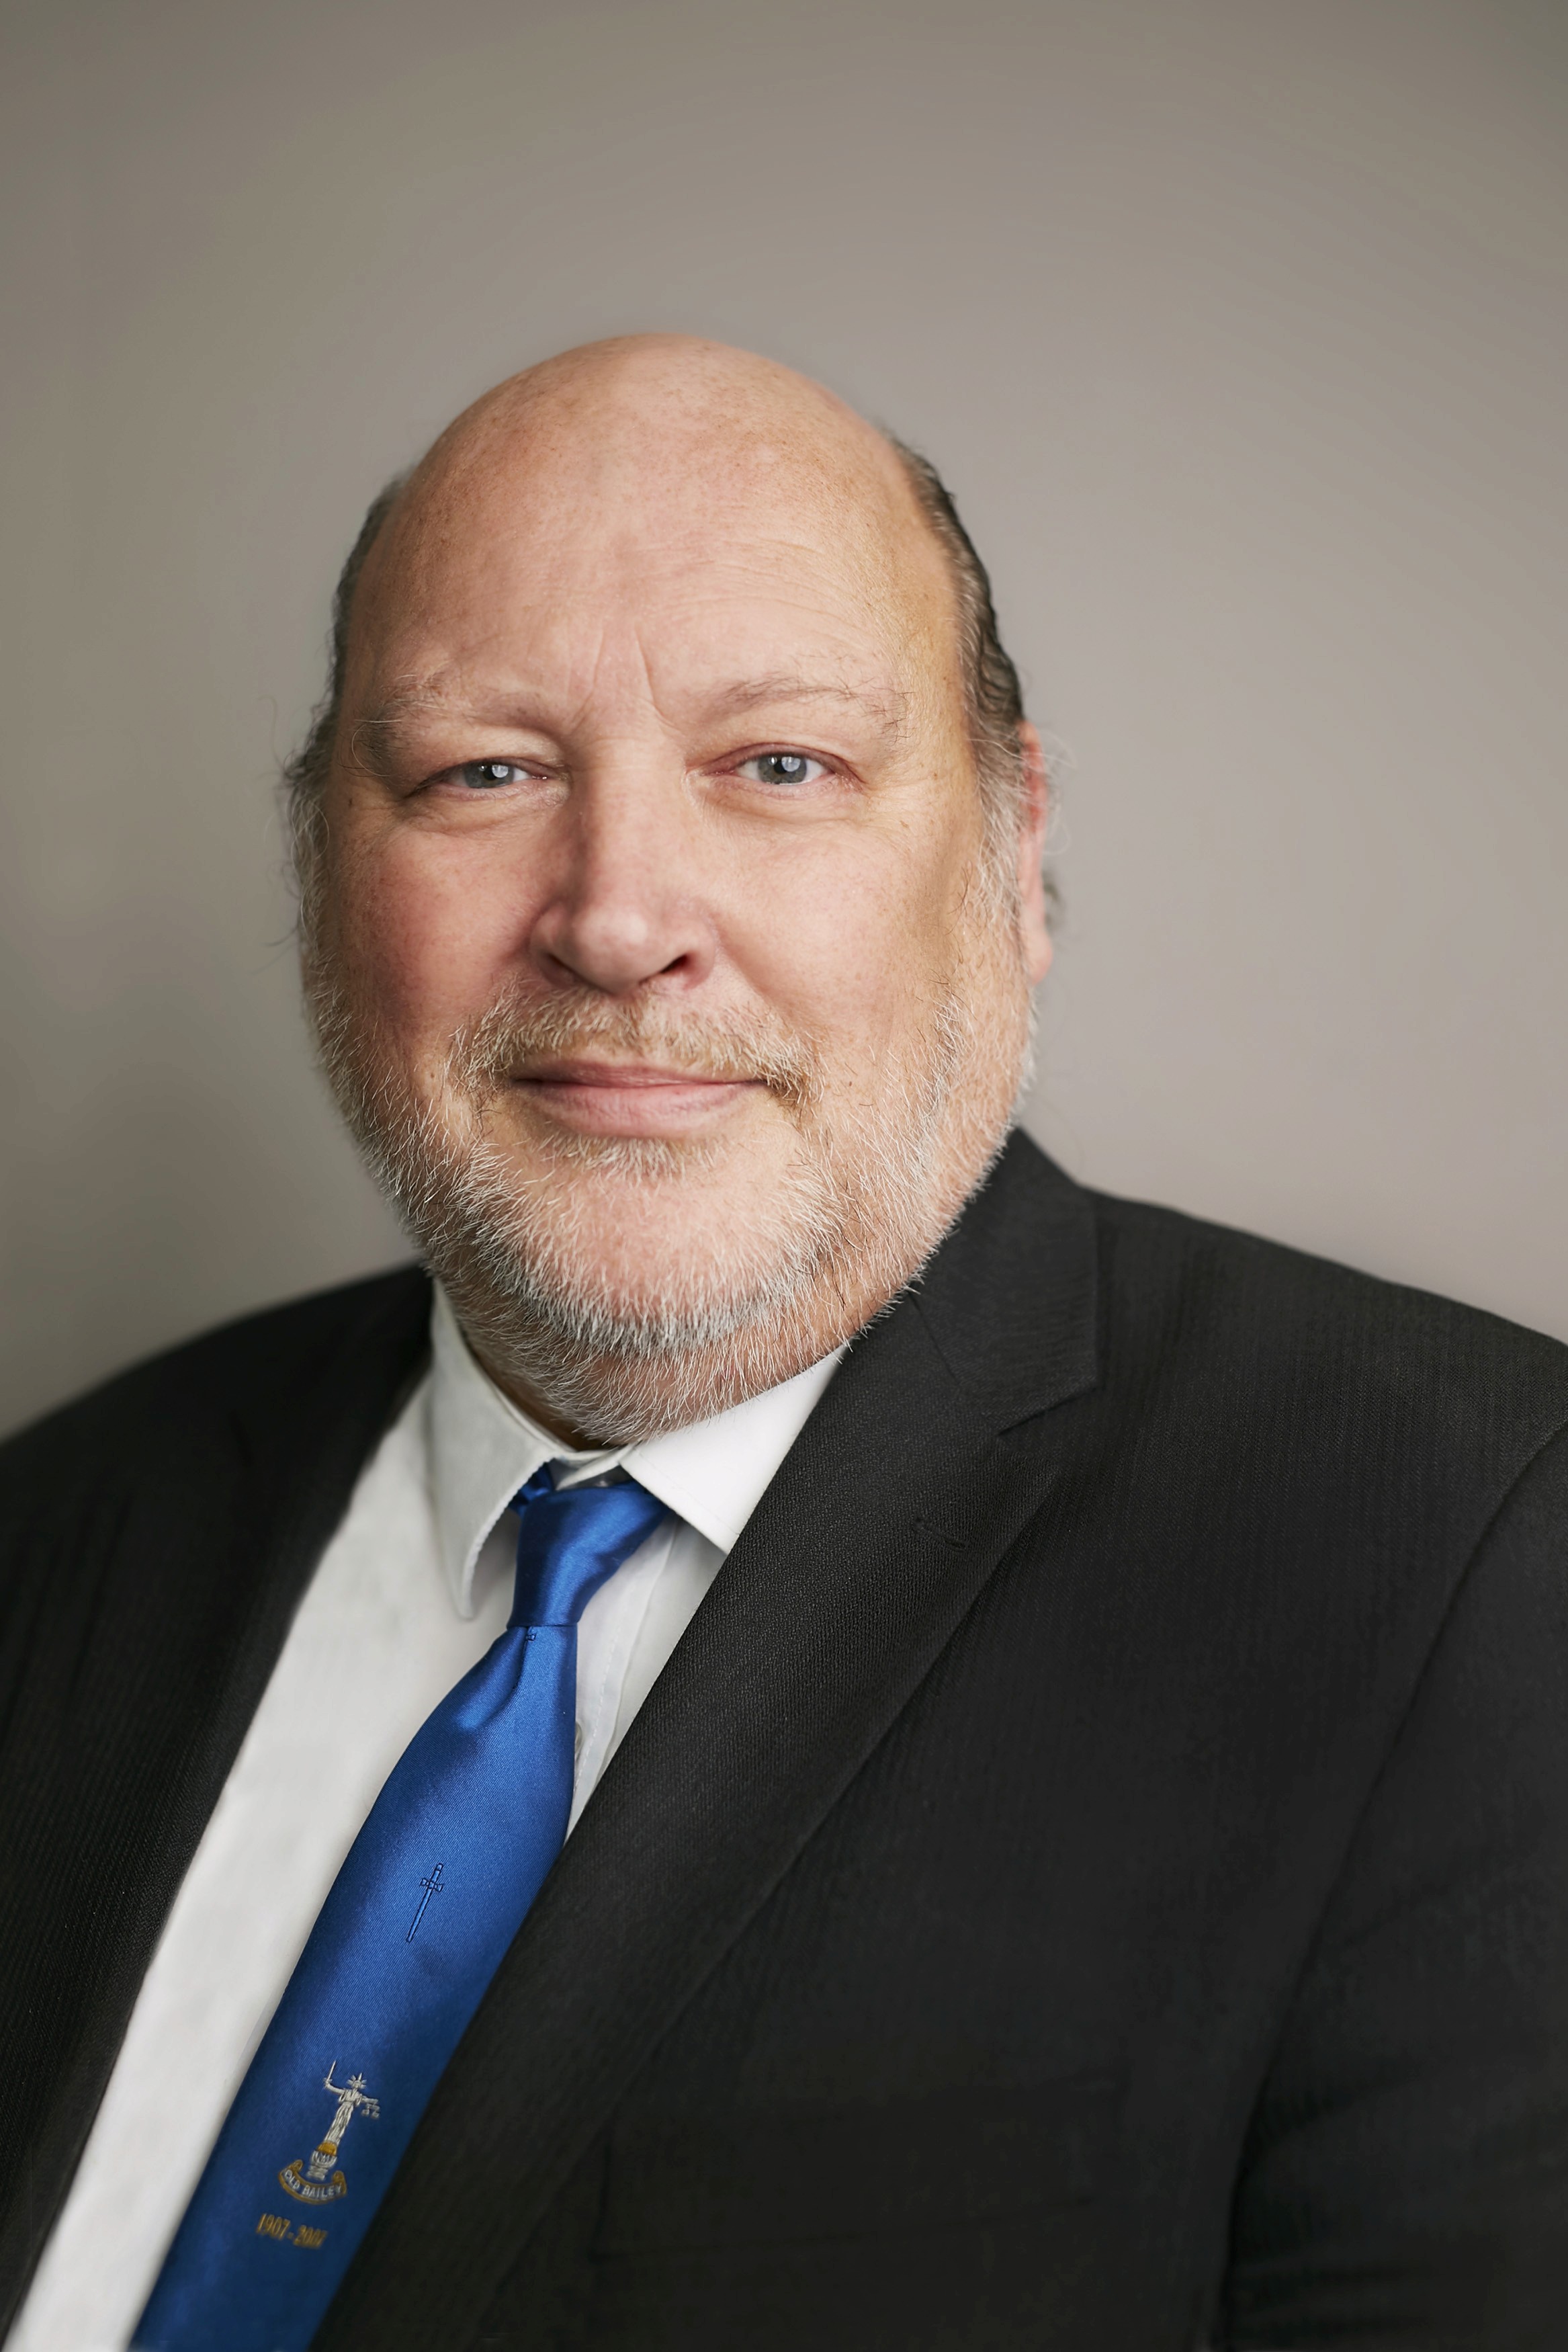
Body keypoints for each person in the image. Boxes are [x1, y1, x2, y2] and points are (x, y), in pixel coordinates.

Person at [1, 335, 1565, 2352]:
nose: (620, 913)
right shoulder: (59, 1531)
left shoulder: (1466, 1562)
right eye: (486, 767)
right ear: (321, 867)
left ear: (1013, 854)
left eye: (781, 764)